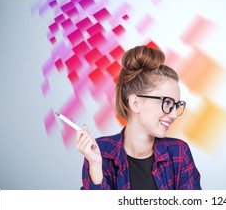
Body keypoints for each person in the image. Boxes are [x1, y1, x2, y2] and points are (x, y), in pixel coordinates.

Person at [76, 45, 201, 190]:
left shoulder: (178, 152)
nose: (173, 115)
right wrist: (96, 167)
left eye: (176, 105)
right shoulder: (100, 152)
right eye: (167, 103)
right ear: (135, 103)